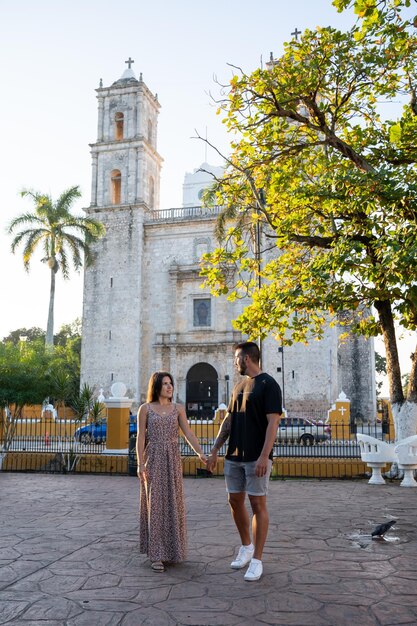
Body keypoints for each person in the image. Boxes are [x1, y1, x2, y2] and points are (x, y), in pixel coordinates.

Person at [206, 341, 282, 582]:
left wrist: (263, 455)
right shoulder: (238, 386)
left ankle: (257, 560)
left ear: (247, 358)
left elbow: (273, 423)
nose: (234, 362)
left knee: (258, 504)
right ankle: (246, 546)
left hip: (256, 458)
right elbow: (228, 420)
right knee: (234, 501)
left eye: (237, 358)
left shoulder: (269, 385)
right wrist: (215, 449)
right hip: (234, 456)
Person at [136, 371, 207, 572]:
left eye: (171, 383)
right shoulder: (146, 409)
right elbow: (141, 438)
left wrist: (200, 453)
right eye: (165, 384)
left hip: (172, 460)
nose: (169, 387)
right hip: (154, 458)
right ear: (156, 386)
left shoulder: (178, 409)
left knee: (172, 503)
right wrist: (141, 464)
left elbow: (188, 433)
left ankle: (172, 551)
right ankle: (156, 554)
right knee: (155, 505)